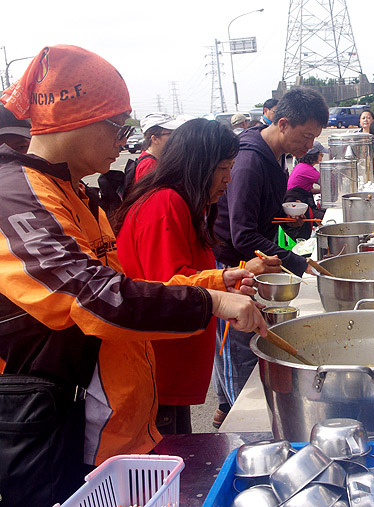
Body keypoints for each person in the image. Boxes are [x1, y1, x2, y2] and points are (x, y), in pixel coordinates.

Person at [0, 44, 266, 506]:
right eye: (118, 126)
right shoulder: (16, 196)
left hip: (111, 426)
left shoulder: (74, 193)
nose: (124, 140)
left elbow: (129, 284)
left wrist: (214, 284)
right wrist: (211, 302)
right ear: (74, 119)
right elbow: (94, 296)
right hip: (57, 430)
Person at [114, 118, 280, 435]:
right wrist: (223, 284)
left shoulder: (184, 204)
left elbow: (184, 275)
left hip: (170, 365)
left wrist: (226, 278)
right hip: (155, 367)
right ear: (197, 165)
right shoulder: (164, 203)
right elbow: (165, 287)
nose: (229, 179)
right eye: (222, 168)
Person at [212, 87, 328, 427]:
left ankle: (225, 407)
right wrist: (297, 262)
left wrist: (285, 219)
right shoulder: (249, 160)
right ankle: (237, 421)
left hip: (251, 262)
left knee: (248, 336)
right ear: (282, 123)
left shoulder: (275, 156)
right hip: (231, 267)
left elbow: (258, 215)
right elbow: (242, 233)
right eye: (306, 137)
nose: (309, 147)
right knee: (239, 344)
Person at [133, 112, 186, 183]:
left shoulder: (157, 159)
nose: (175, 137)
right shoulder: (148, 165)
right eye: (170, 134)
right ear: (154, 139)